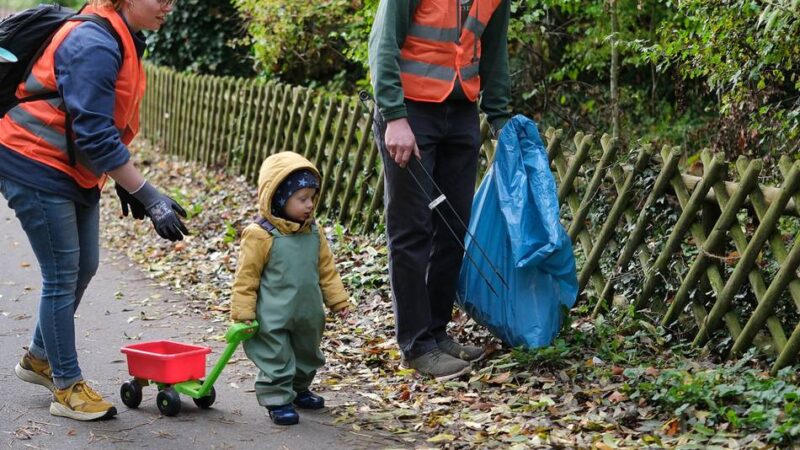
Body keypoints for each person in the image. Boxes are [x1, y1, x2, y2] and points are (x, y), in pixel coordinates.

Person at [0, 0, 188, 421]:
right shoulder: (94, 42)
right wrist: (146, 193)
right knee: (62, 273)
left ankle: (39, 358)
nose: (169, 6)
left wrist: (121, 177)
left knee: (85, 265)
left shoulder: (123, 35)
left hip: (71, 166)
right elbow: (94, 132)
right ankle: (66, 386)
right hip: (33, 160)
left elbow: (103, 121)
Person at [368, 0, 512, 381]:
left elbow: (495, 53)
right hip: (410, 112)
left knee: (452, 227)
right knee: (412, 228)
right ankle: (415, 345)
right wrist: (394, 117)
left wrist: (500, 120)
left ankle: (436, 333)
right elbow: (383, 45)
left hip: (461, 111)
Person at [231, 152, 350, 426]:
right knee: (276, 356)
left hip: (308, 312)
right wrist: (243, 313)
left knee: (308, 353)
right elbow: (246, 277)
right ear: (279, 198)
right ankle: (277, 399)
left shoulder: (313, 231)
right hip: (273, 314)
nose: (309, 205)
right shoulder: (260, 234)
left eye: (312, 197)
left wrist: (337, 300)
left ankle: (298, 390)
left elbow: (326, 269)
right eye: (301, 199)